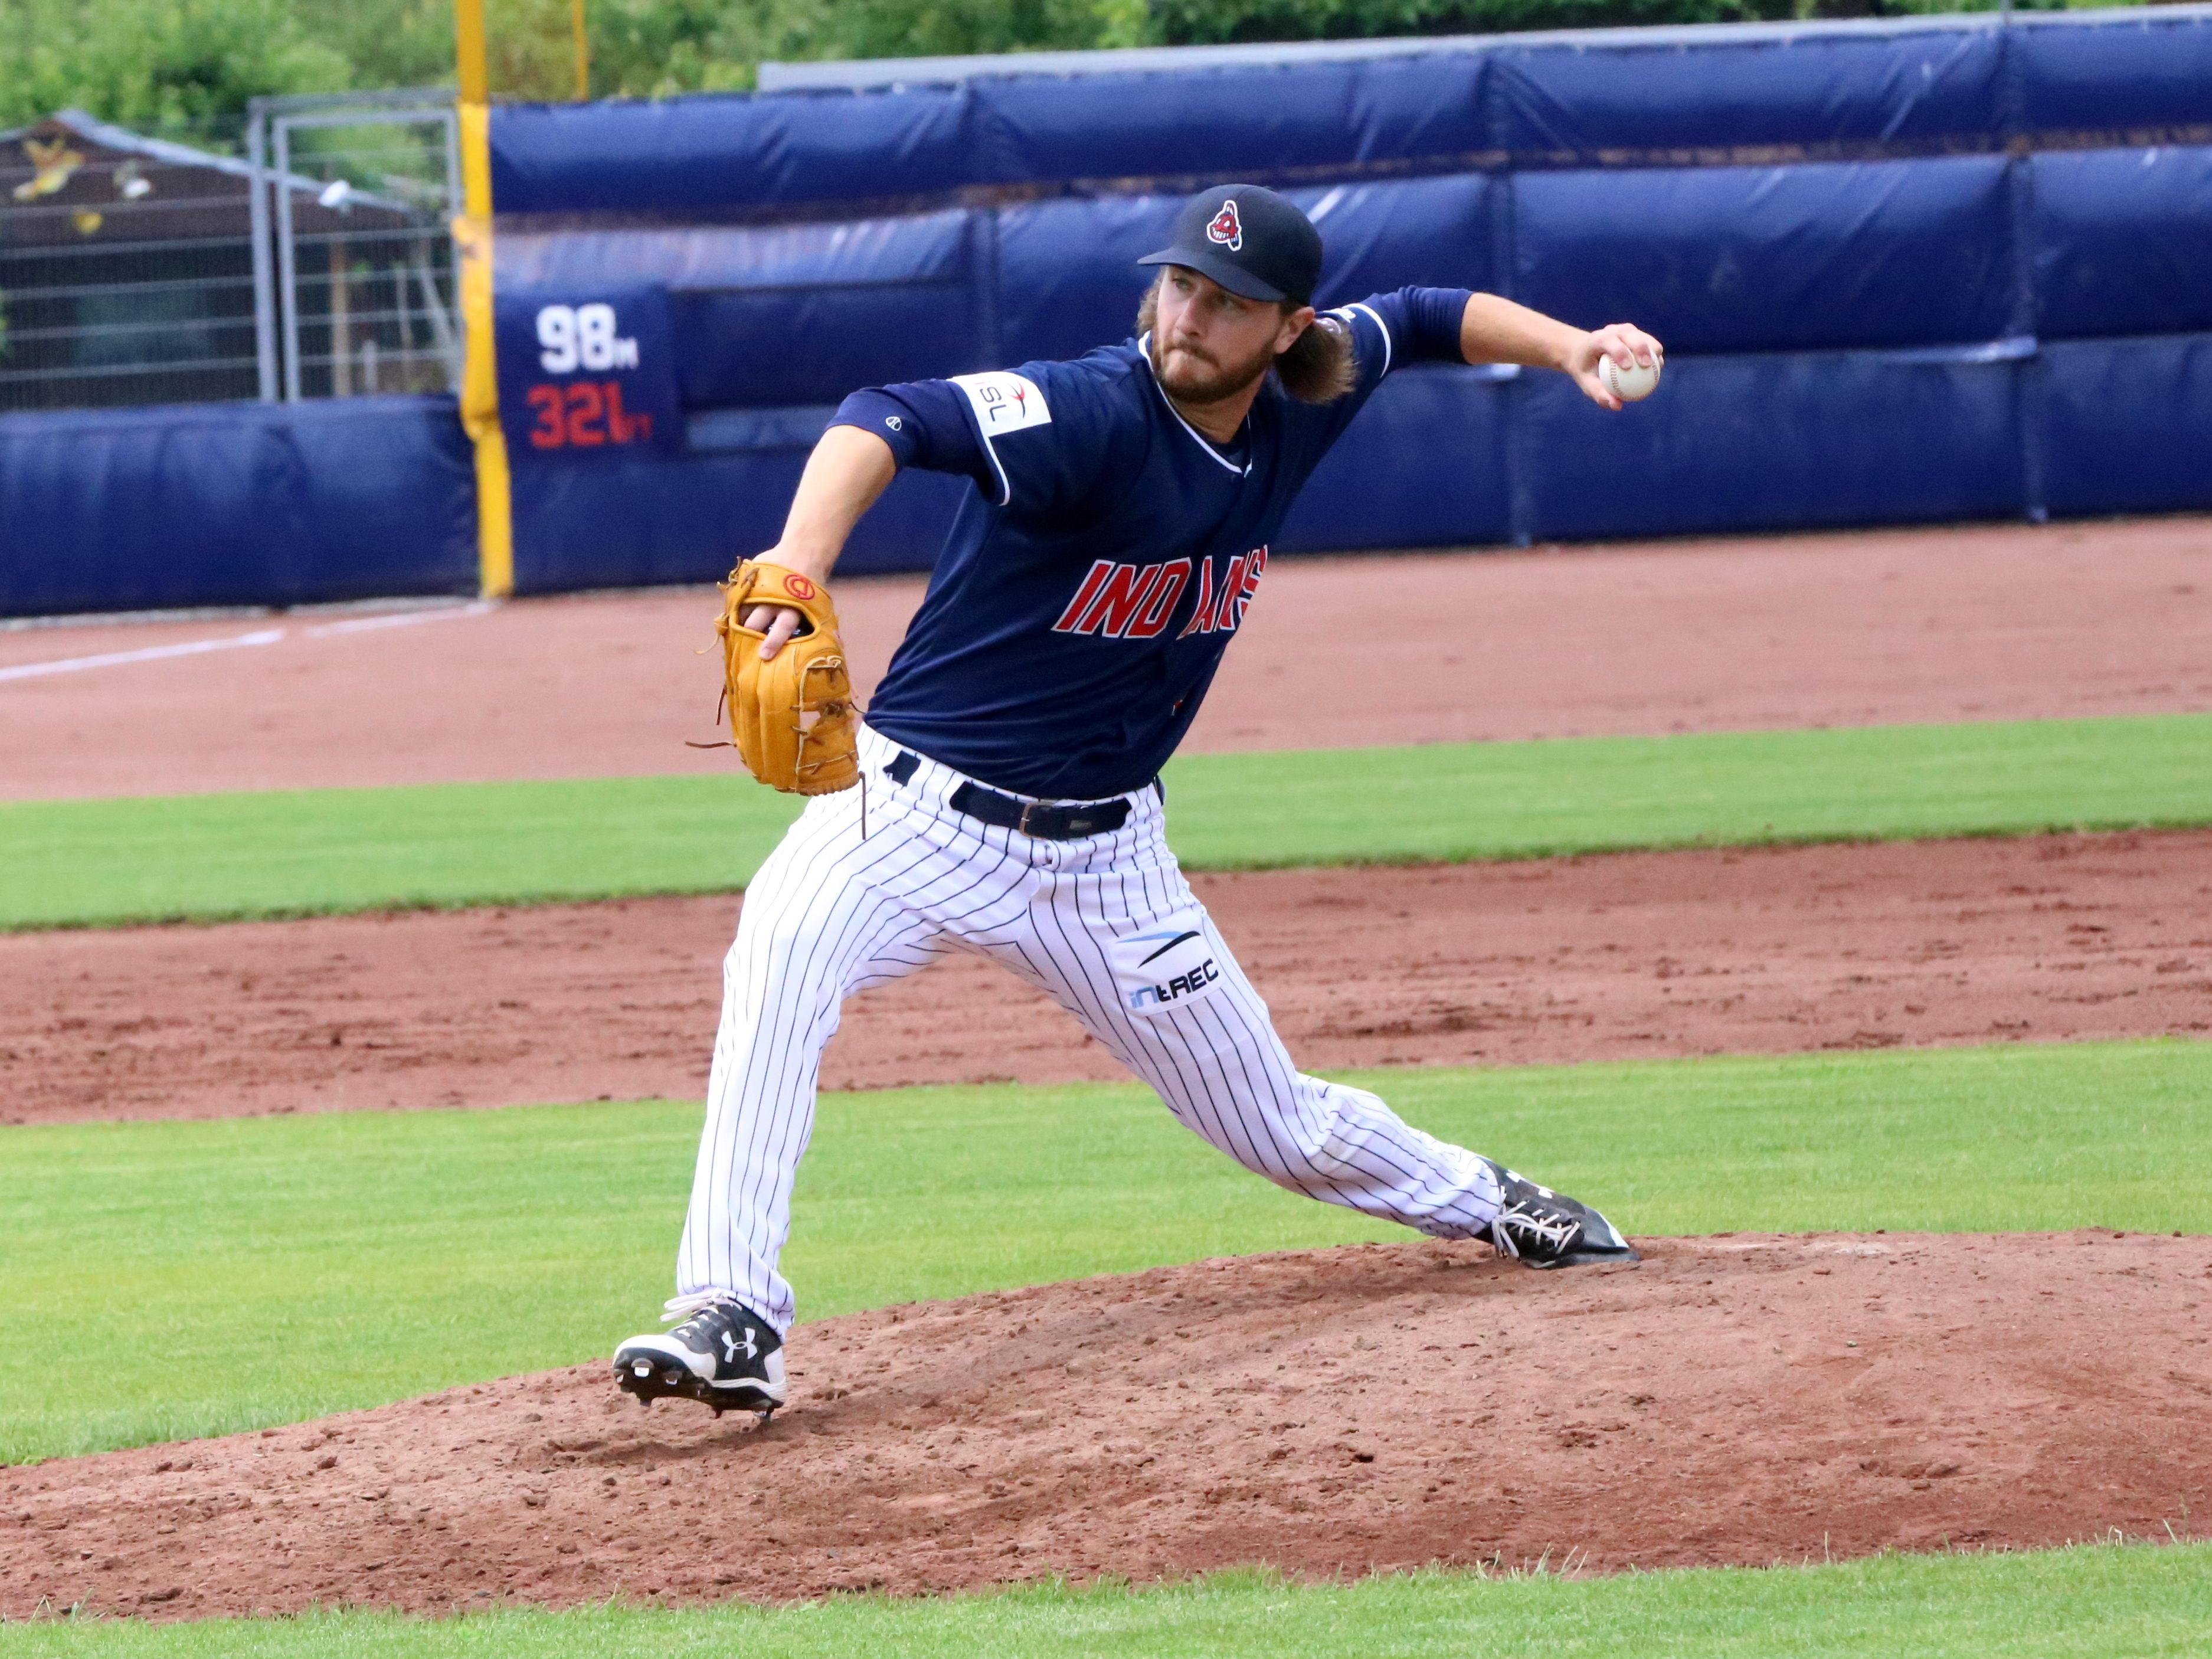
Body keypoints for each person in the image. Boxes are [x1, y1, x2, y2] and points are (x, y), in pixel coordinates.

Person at [613, 184, 1664, 1418]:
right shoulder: (1087, 407)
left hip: (1112, 864)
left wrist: (1570, 346)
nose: (1190, 315)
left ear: (1285, 329)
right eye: (1180, 284)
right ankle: (732, 1310)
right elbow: (883, 417)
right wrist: (794, 565)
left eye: (1227, 303)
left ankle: (1492, 1200)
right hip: (903, 819)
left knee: (1278, 1125)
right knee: (776, 959)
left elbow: (1426, 316)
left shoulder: (1302, 402)